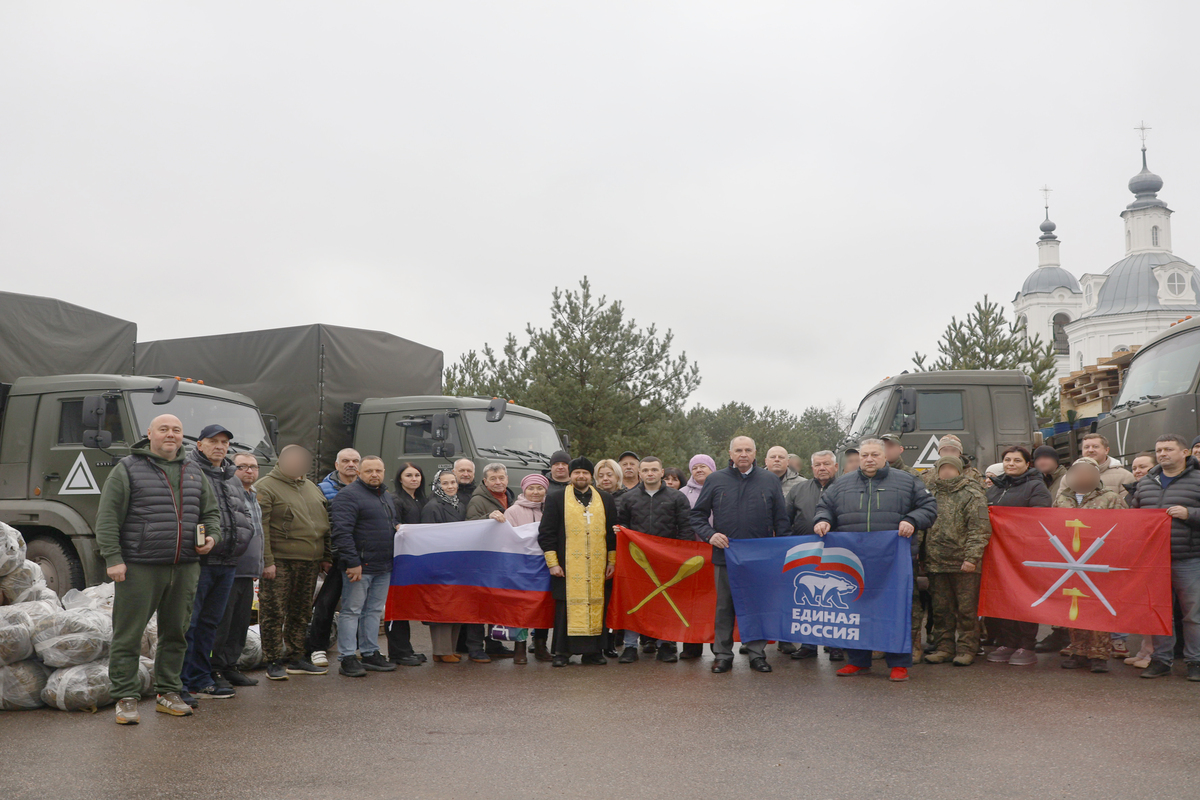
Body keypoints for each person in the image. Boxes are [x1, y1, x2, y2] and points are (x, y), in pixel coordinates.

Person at [96, 414, 221, 725]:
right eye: (163, 429)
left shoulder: (193, 471)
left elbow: (210, 512)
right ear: (149, 434)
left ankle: (168, 692)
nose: (170, 435)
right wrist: (113, 558)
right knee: (129, 634)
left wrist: (212, 538)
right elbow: (108, 517)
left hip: (185, 566)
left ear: (182, 437)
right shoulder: (127, 469)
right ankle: (125, 697)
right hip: (140, 566)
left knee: (176, 633)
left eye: (176, 430)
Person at [813, 438, 938, 682]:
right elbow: (824, 507)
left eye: (874, 455)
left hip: (894, 560)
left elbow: (929, 508)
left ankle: (898, 663)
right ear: (859, 458)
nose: (869, 459)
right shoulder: (841, 484)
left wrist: (912, 520)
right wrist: (822, 520)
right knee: (855, 609)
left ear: (884, 457)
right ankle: (858, 661)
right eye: (865, 455)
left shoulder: (907, 481)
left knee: (895, 610)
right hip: (854, 560)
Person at [691, 436, 790, 674]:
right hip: (725, 555)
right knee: (724, 607)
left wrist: (781, 551)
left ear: (756, 453)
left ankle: (757, 654)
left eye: (748, 450)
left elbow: (782, 519)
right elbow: (697, 516)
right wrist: (710, 535)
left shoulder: (769, 480)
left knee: (757, 606)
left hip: (761, 558)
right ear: (730, 453)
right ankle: (723, 655)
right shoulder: (715, 480)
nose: (743, 454)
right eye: (738, 450)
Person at [183, 425, 252, 702]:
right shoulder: (190, 472)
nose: (220, 446)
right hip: (201, 561)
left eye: (224, 442)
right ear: (200, 445)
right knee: (191, 623)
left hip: (228, 561)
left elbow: (241, 515)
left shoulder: (231, 476)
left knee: (211, 623)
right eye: (213, 441)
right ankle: (185, 681)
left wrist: (241, 540)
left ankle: (202, 678)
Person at [257, 445, 332, 681]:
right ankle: (272, 660)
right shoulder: (265, 487)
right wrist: (267, 561)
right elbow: (262, 529)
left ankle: (296, 657)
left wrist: (326, 557)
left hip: (310, 561)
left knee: (301, 612)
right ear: (281, 460)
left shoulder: (312, 488)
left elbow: (324, 525)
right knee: (273, 612)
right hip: (280, 561)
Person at [1131, 434, 1200, 681]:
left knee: (1192, 614)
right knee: (1158, 612)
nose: (1162, 454)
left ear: (1185, 453)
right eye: (1159, 450)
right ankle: (1161, 660)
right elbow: (1134, 517)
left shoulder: (1198, 479)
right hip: (1154, 561)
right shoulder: (1147, 482)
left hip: (1189, 558)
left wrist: (1190, 513)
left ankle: (1196, 661)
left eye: (1169, 449)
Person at [538, 457, 618, 667]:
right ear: (571, 475)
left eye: (585, 473)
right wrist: (553, 563)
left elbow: (612, 534)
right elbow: (546, 533)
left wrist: (612, 560)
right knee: (566, 608)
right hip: (567, 566)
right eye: (577, 473)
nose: (581, 476)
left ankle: (593, 652)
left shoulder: (605, 499)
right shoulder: (556, 498)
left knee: (596, 605)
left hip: (598, 566)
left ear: (591, 476)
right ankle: (562, 653)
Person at [616, 456, 695, 664]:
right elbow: (622, 526)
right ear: (639, 473)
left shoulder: (677, 498)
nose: (650, 473)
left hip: (666, 560)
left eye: (654, 470)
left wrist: (679, 555)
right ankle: (631, 646)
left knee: (664, 604)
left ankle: (665, 645)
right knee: (634, 601)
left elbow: (686, 528)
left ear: (662, 472)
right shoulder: (628, 498)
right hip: (636, 560)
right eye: (646, 470)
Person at [1052, 457, 1126, 674]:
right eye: (1078, 472)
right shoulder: (1062, 500)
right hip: (1070, 562)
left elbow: (1124, 530)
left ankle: (1099, 654)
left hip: (1099, 562)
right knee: (1074, 606)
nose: (1082, 477)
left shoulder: (1111, 498)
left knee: (1098, 607)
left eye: (1087, 473)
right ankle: (1079, 650)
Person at [329, 456, 399, 678]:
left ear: (384, 471)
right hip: (359, 567)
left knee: (374, 611)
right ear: (359, 473)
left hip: (383, 565)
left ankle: (370, 653)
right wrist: (353, 563)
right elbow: (341, 532)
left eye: (378, 470)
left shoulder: (385, 496)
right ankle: (347, 657)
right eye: (369, 471)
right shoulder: (347, 496)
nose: (374, 475)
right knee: (351, 612)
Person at [985, 445, 1053, 666]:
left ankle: (1026, 644)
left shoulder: (1036, 487)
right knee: (1002, 598)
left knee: (1024, 598)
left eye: (1016, 460)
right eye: (1007, 460)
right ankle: (1007, 641)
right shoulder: (994, 488)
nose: (1011, 464)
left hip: (1025, 553)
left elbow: (1039, 521)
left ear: (1027, 464)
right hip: (998, 553)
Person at [922, 456, 990, 667]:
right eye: (943, 468)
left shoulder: (972, 494)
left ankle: (966, 649)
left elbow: (980, 529)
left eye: (951, 468)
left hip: (963, 563)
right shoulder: (931, 494)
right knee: (941, 610)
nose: (947, 472)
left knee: (966, 610)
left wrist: (971, 558)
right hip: (936, 562)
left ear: (959, 470)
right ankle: (944, 648)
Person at [211, 452, 265, 690]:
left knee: (240, 623)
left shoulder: (254, 496)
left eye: (253, 467)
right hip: (230, 567)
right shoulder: (227, 494)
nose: (249, 471)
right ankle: (214, 670)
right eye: (242, 466)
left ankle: (230, 666)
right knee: (222, 623)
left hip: (248, 571)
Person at [786, 450, 845, 661]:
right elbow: (786, 519)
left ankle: (836, 645)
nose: (822, 468)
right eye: (818, 464)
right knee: (808, 603)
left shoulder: (845, 488)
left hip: (836, 554)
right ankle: (808, 645)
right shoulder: (798, 489)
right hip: (806, 553)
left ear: (836, 467)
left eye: (827, 464)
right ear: (812, 468)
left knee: (833, 601)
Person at [307, 447, 361, 669]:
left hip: (360, 556)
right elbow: (319, 525)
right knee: (326, 603)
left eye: (355, 460)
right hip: (334, 556)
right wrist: (325, 555)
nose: (351, 464)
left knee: (356, 605)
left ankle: (352, 647)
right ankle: (317, 648)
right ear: (337, 465)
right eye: (346, 461)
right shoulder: (322, 490)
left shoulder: (366, 488)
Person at [463, 463, 517, 662]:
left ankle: (493, 643)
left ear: (507, 479)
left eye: (501, 478)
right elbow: (469, 525)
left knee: (495, 604)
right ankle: (475, 648)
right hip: (483, 561)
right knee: (479, 605)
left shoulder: (510, 497)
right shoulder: (478, 500)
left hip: (501, 559)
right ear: (485, 481)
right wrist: (488, 517)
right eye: (493, 479)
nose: (498, 482)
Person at [504, 473, 550, 665]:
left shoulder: (551, 509)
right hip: (520, 566)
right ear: (524, 490)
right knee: (521, 608)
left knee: (543, 606)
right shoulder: (513, 511)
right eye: (531, 488)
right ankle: (520, 647)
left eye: (540, 488)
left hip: (544, 565)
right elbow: (506, 538)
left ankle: (540, 645)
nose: (535, 492)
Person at [422, 469, 468, 662]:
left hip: (458, 563)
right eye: (445, 483)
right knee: (442, 607)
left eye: (453, 482)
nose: (450, 486)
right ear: (437, 485)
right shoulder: (432, 506)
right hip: (441, 564)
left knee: (455, 606)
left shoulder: (460, 504)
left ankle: (449, 648)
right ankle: (441, 651)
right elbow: (430, 538)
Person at [386, 461, 427, 666]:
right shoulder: (394, 499)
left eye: (417, 475)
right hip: (400, 558)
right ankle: (398, 652)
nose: (414, 479)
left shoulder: (420, 499)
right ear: (400, 478)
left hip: (415, 558)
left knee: (407, 605)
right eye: (409, 475)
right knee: (397, 605)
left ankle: (407, 648)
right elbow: (392, 524)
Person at [679, 454, 716, 660]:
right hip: (691, 553)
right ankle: (691, 645)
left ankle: (715, 643)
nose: (699, 470)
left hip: (716, 552)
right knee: (691, 601)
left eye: (703, 466)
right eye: (695, 467)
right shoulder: (682, 494)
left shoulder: (721, 489)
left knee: (714, 601)